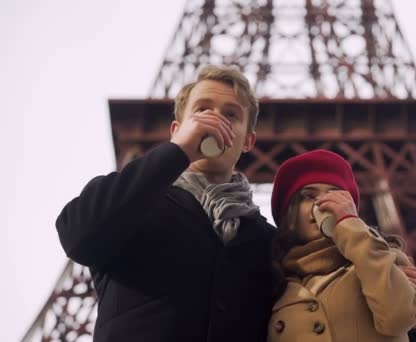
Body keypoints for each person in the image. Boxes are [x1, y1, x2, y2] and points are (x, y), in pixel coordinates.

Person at [55, 65, 275, 341]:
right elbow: (77, 236)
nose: (215, 120)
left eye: (231, 114)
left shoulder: (267, 241)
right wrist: (177, 153)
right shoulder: (132, 200)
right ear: (177, 130)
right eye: (202, 110)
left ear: (248, 141)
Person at [268, 149, 416, 342]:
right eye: (308, 196)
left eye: (335, 196)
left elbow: (399, 316)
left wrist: (350, 224)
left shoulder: (386, 261)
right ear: (290, 215)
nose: (322, 203)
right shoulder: (272, 283)